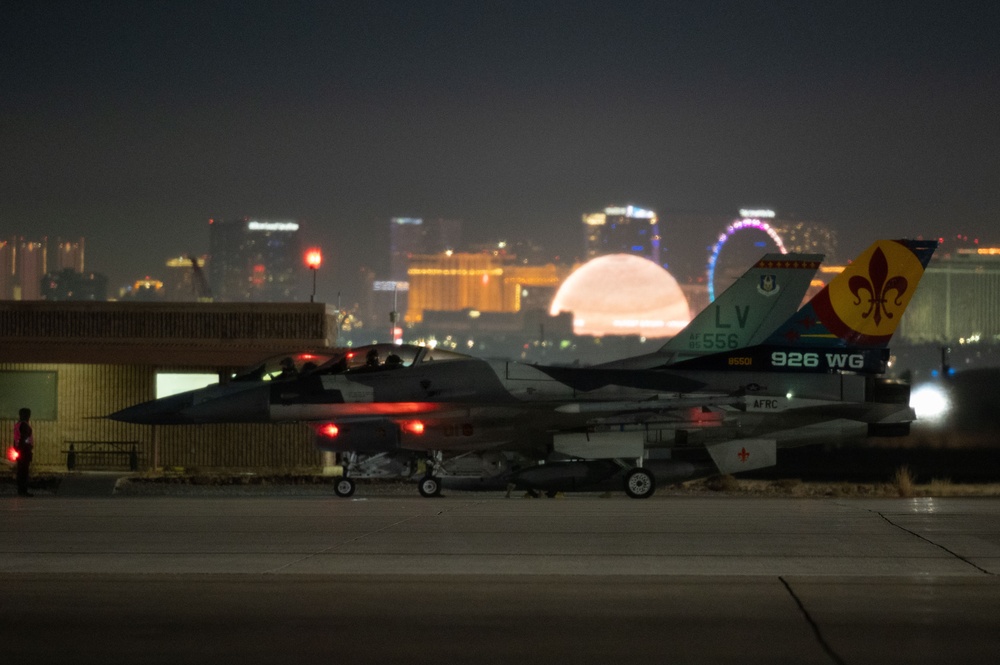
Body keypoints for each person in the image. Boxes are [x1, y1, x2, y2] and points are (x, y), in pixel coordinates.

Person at [12, 407, 33, 497]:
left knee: (20, 471)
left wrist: (16, 449)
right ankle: (23, 490)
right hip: (24, 451)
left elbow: (16, 438)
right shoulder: (25, 425)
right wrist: (25, 449)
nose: (29, 416)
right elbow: (24, 438)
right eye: (28, 414)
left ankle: (21, 490)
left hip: (20, 450)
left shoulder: (18, 424)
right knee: (24, 471)